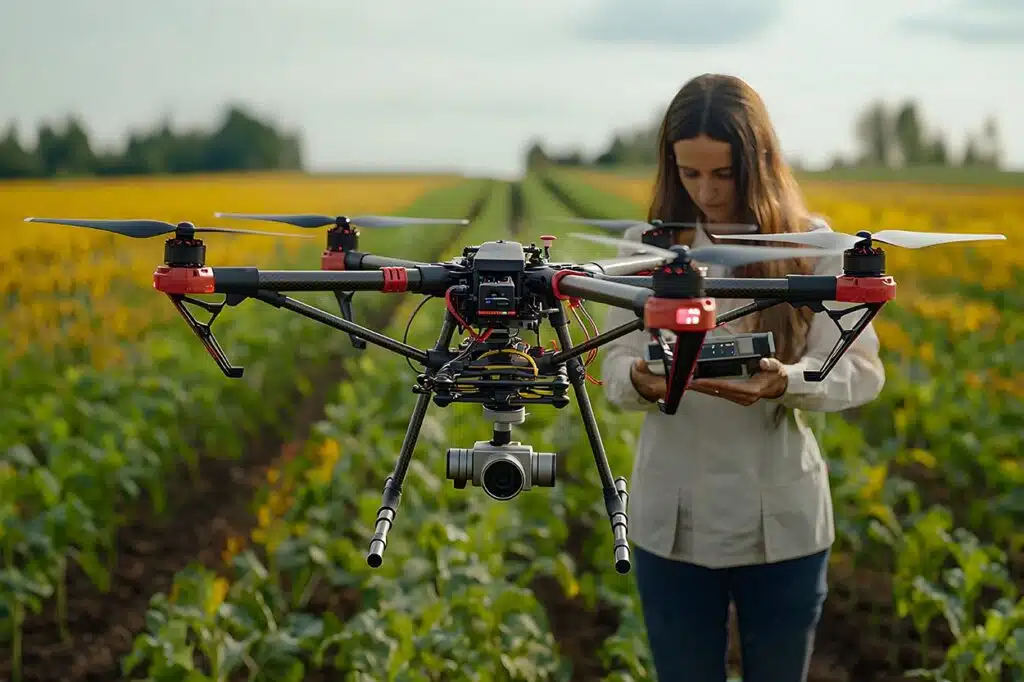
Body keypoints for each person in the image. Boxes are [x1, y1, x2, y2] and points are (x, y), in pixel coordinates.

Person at [599, 73, 887, 682]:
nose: (706, 192)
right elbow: (615, 368)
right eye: (690, 173)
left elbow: (860, 371)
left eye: (723, 174)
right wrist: (647, 380)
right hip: (670, 522)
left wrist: (790, 380)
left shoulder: (813, 245)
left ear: (758, 162)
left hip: (781, 522)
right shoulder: (644, 248)